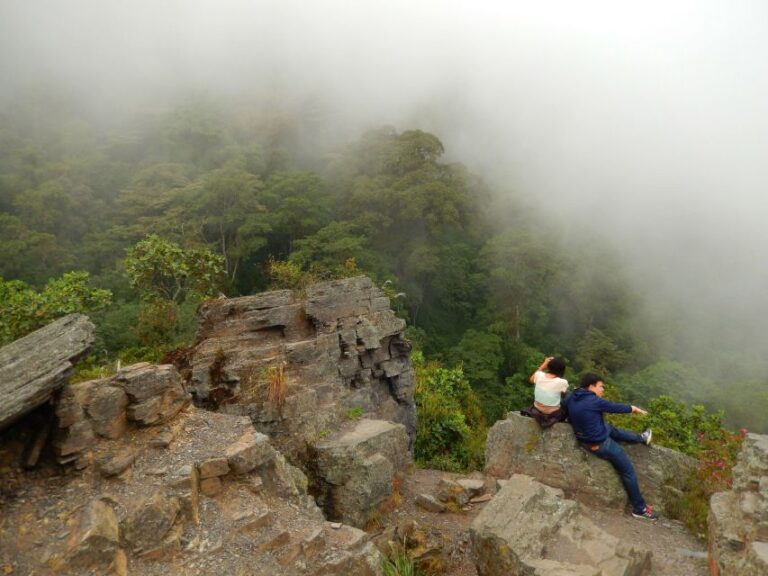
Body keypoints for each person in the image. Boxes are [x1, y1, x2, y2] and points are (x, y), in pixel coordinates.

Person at [564, 372, 657, 520]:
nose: (603, 390)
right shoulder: (594, 401)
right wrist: (635, 409)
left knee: (610, 428)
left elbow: (563, 410)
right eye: (601, 386)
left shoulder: (572, 396)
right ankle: (639, 509)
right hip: (600, 444)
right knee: (628, 472)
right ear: (591, 386)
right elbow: (615, 407)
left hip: (586, 439)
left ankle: (641, 437)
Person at [523, 356, 569, 428]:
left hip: (537, 409)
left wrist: (544, 364)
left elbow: (531, 380)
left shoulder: (539, 375)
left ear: (549, 366)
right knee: (566, 404)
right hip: (553, 414)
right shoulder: (562, 382)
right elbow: (563, 396)